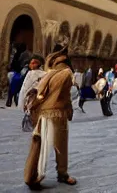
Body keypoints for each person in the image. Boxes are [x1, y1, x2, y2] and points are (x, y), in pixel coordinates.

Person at [24, 45, 77, 188]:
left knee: (38, 142)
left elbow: (39, 92)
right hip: (58, 113)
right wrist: (69, 110)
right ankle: (62, 174)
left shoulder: (49, 73)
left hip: (43, 113)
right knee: (61, 146)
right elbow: (65, 96)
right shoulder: (67, 73)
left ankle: (30, 176)